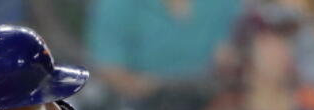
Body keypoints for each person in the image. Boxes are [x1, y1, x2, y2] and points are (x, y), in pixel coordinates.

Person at [85, 0, 244, 100]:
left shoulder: (226, 4)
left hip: (211, 104)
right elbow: (111, 69)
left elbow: (240, 53)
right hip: (142, 108)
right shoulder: (117, 5)